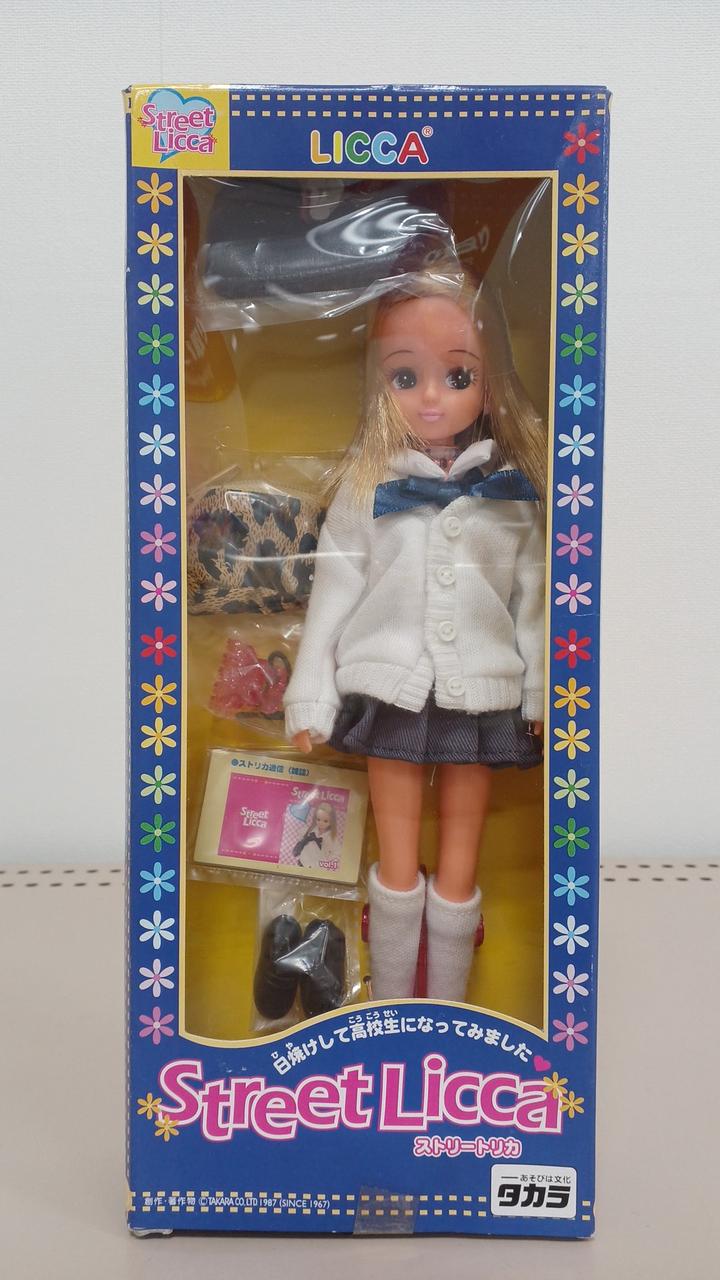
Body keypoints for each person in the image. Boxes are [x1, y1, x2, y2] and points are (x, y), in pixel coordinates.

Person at [284, 263, 546, 1002]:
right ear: (379, 383)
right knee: (397, 858)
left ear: (492, 381)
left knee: (461, 861)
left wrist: (542, 689)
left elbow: (535, 598)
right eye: (406, 377)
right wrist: (311, 692)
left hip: (483, 688)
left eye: (457, 375)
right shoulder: (369, 483)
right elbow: (335, 587)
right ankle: (394, 1004)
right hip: (387, 680)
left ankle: (451, 1011)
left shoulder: (513, 491)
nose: (431, 397)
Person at [291, 801, 339, 870]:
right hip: (303, 863)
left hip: (317, 868)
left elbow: (336, 852)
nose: (321, 823)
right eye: (318, 819)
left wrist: (327, 861)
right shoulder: (309, 831)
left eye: (325, 821)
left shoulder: (331, 837)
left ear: (331, 822)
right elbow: (300, 840)